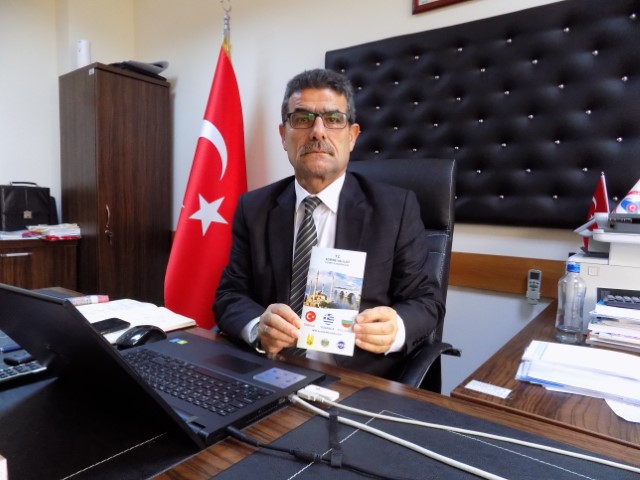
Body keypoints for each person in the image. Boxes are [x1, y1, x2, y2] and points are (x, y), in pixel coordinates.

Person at [214, 68, 445, 379]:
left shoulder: (396, 209)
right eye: (302, 118)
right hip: (271, 371)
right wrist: (258, 327)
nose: (318, 132)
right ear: (283, 135)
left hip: (357, 381)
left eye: (333, 119)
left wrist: (396, 328)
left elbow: (427, 301)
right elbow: (230, 295)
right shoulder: (253, 208)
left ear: (352, 136)